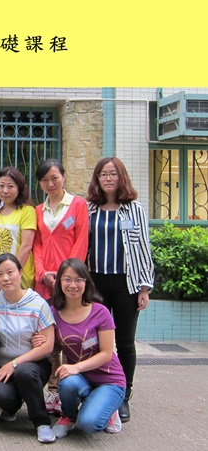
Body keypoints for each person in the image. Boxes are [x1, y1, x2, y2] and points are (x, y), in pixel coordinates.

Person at [86, 156, 154, 422]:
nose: (108, 178)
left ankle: (123, 394)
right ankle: (98, 389)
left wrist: (144, 287)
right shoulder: (90, 208)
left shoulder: (134, 209)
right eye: (103, 174)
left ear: (121, 176)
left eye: (113, 173)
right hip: (96, 283)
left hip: (126, 283)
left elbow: (143, 249)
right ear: (97, 179)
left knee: (124, 342)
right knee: (94, 340)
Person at [40, 258, 126, 438]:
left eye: (79, 279)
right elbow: (50, 345)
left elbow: (106, 354)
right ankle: (68, 416)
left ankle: (110, 409)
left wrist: (76, 367)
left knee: (89, 424)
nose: (73, 285)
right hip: (80, 379)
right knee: (68, 382)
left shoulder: (100, 312)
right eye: (67, 279)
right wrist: (38, 340)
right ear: (59, 282)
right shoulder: (54, 312)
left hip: (109, 379)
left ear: (86, 282)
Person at [33, 159, 89, 414]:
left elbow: (81, 241)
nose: (50, 184)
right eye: (45, 180)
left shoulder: (77, 205)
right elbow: (38, 245)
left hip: (71, 283)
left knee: (73, 336)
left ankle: (75, 388)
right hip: (46, 284)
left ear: (64, 177)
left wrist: (68, 275)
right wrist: (43, 274)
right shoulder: (38, 210)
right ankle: (53, 390)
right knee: (51, 339)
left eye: (54, 178)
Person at [0, 253, 56, 444]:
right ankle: (13, 404)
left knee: (25, 373)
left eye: (10, 272)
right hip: (2, 366)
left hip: (33, 365)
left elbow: (48, 345)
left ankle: (41, 422)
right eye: (0, 274)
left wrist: (14, 363)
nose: (5, 278)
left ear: (20, 272)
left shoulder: (38, 303)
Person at [0, 166, 37, 289]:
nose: (5, 191)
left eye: (10, 186)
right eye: (1, 186)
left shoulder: (27, 211)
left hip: (20, 275)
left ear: (19, 188)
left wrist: (12, 274)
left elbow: (26, 246)